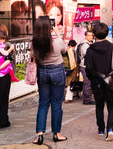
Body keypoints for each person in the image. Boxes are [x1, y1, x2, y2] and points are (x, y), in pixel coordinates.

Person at [85, 22, 113, 142]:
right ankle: (110, 129)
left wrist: (91, 79)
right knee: (112, 105)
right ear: (107, 33)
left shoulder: (90, 50)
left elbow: (88, 68)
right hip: (112, 81)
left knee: (99, 105)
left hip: (97, 81)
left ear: (95, 34)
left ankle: (101, 129)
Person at [32, 16, 67, 145]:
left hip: (42, 72)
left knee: (43, 104)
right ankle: (56, 134)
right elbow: (64, 51)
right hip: (57, 72)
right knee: (57, 103)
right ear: (50, 28)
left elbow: (34, 56)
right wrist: (58, 34)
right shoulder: (57, 42)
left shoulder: (34, 42)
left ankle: (39, 135)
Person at [78, 30, 95, 105]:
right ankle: (87, 100)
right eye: (89, 35)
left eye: (92, 35)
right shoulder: (85, 45)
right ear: (85, 36)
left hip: (84, 65)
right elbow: (88, 56)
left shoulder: (86, 43)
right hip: (85, 65)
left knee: (86, 83)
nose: (91, 37)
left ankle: (86, 99)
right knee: (87, 83)